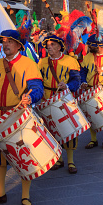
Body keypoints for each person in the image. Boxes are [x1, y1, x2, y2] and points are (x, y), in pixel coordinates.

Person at [0, 29, 44, 205]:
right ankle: (0, 193)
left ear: (18, 45)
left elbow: (37, 88)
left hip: (19, 117)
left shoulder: (29, 64)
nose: (5, 44)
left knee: (23, 157)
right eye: (3, 41)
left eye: (10, 41)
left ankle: (25, 196)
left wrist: (30, 98)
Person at [38, 35, 81, 173]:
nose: (49, 47)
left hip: (64, 99)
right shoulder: (42, 62)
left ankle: (71, 161)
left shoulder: (70, 61)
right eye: (47, 45)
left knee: (68, 129)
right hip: (47, 100)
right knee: (51, 130)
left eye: (52, 45)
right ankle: (58, 159)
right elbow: (38, 81)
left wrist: (67, 86)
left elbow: (77, 81)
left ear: (59, 47)